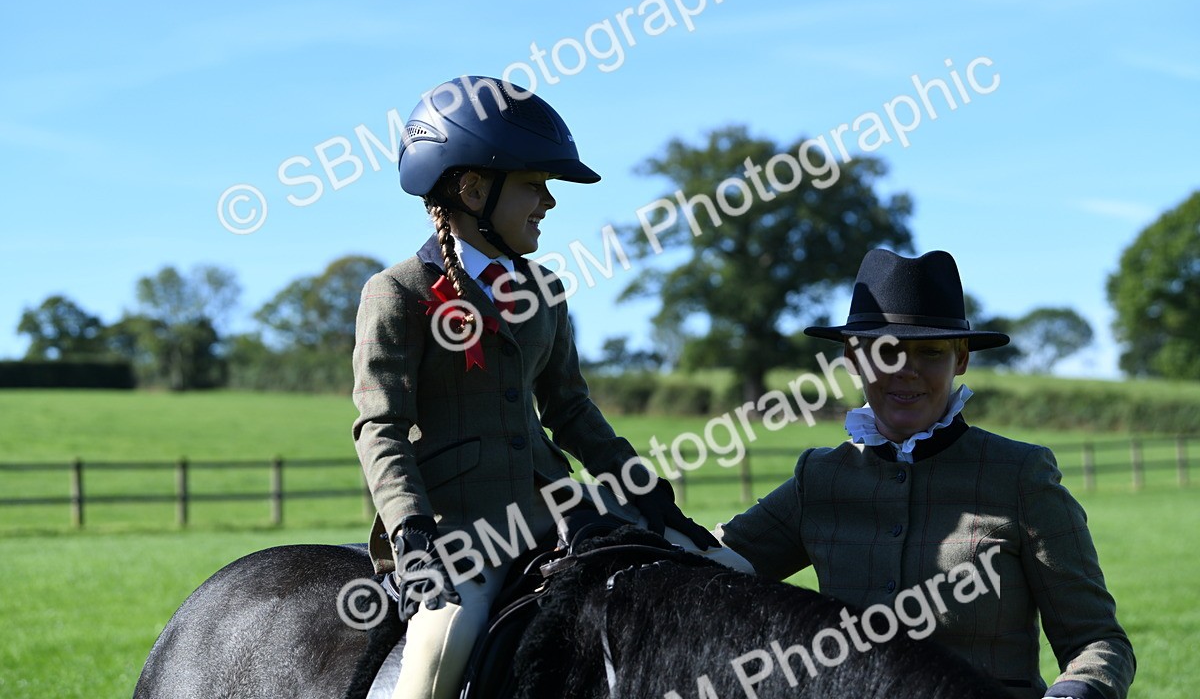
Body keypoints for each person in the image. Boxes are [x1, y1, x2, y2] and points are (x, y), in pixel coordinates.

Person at [351, 76, 747, 699]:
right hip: (462, 525)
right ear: (472, 189)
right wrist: (409, 528)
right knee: (444, 639)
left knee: (726, 569)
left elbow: (570, 409)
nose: (549, 202)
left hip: (555, 504)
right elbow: (382, 426)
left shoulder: (545, 290)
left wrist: (647, 493)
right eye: (534, 185)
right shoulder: (397, 292)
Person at [717, 248, 1135, 699]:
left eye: (930, 352)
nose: (907, 371)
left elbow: (1098, 642)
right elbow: (711, 562)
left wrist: (1075, 692)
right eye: (885, 352)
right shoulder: (819, 478)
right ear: (853, 359)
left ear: (961, 359)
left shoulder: (1020, 475)